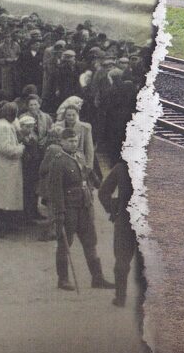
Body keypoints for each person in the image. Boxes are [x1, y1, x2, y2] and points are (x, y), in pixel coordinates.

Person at [44, 128, 113, 291]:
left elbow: (88, 173)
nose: (73, 143)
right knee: (64, 244)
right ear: (62, 142)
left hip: (85, 206)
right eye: (70, 141)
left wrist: (99, 184)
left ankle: (97, 278)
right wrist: (59, 213)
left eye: (75, 140)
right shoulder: (58, 161)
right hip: (69, 209)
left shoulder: (80, 156)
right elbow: (55, 190)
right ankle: (63, 280)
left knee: (90, 242)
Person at [98, 158, 142, 308]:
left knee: (122, 260)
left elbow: (103, 192)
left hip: (125, 220)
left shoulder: (121, 167)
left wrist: (113, 208)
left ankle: (120, 298)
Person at [0, 101, 26, 236]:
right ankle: (1, 228)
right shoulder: (4, 127)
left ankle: (3, 226)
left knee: (1, 197)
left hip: (2, 167)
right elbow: (5, 148)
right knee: (4, 198)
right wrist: (20, 148)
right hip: (5, 167)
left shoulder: (0, 124)